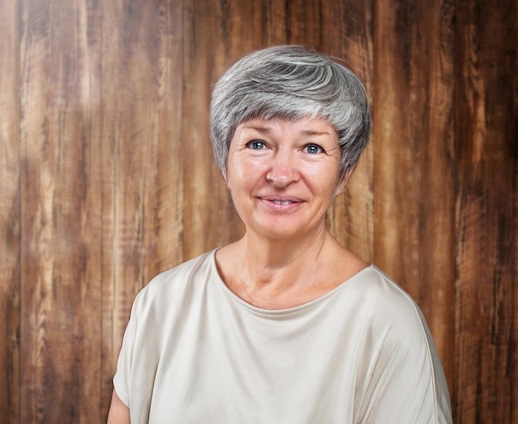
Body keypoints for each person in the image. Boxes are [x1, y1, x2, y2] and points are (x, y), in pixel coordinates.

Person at [107, 45, 452, 423]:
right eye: (258, 143)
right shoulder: (162, 303)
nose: (281, 174)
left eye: (311, 147)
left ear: (344, 174)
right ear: (225, 161)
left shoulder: (386, 325)